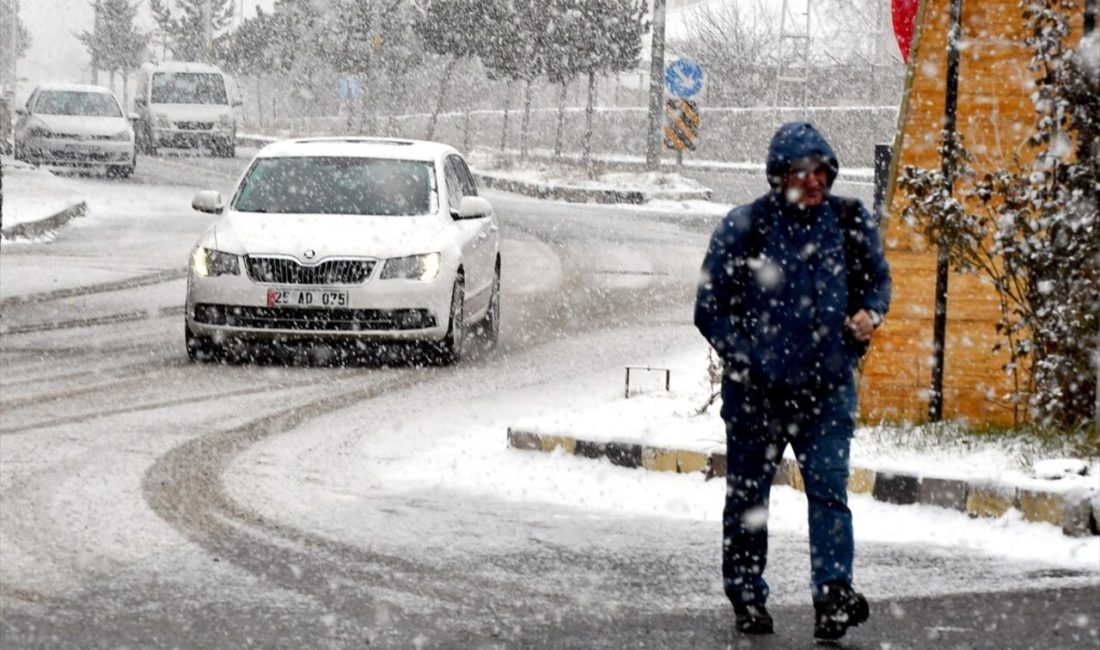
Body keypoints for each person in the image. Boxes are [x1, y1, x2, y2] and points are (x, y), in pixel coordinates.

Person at [693, 122, 891, 641]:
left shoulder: (849, 223)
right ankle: (748, 598)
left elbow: (877, 282)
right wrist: (750, 359)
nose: (815, 182)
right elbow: (709, 311)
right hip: (757, 397)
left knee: (829, 494)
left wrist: (870, 314)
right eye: (803, 173)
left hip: (826, 392)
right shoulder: (746, 228)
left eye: (822, 171)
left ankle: (832, 597)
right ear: (779, 176)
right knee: (749, 501)